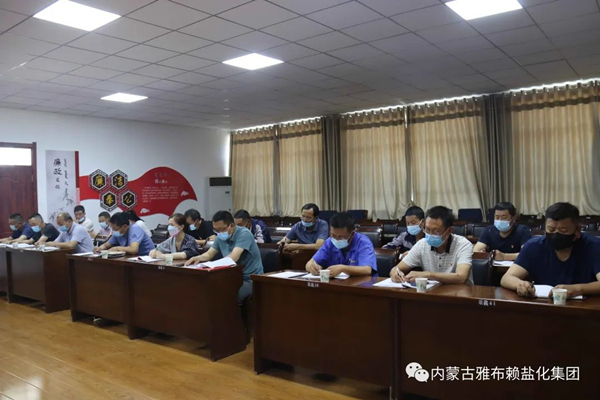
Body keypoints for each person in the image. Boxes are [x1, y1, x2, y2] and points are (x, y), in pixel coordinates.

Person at [501, 202, 600, 298]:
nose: (556, 234)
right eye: (551, 229)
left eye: (563, 230)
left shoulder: (594, 246)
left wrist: (578, 289)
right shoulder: (534, 246)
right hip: (543, 305)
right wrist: (520, 284)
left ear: (577, 231)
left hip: (585, 306)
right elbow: (507, 278)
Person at [185, 211, 263, 302]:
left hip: (250, 279)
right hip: (231, 276)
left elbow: (233, 257)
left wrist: (213, 265)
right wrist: (197, 258)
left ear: (232, 225)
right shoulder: (220, 236)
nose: (219, 233)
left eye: (221, 229)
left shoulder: (244, 234)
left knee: (226, 296)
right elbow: (209, 254)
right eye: (216, 230)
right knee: (206, 290)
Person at [391, 206, 473, 284]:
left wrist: (428, 275)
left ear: (449, 231)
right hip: (432, 291)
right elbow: (397, 268)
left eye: (436, 231)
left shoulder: (463, 245)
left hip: (459, 292)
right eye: (427, 230)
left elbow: (461, 277)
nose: (430, 234)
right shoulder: (422, 245)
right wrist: (395, 272)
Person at [306, 212, 377, 277]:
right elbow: (310, 263)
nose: (336, 239)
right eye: (333, 235)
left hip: (361, 284)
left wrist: (343, 268)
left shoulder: (363, 242)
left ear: (352, 234)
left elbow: (367, 270)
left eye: (341, 237)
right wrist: (311, 267)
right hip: (337, 284)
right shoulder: (329, 242)